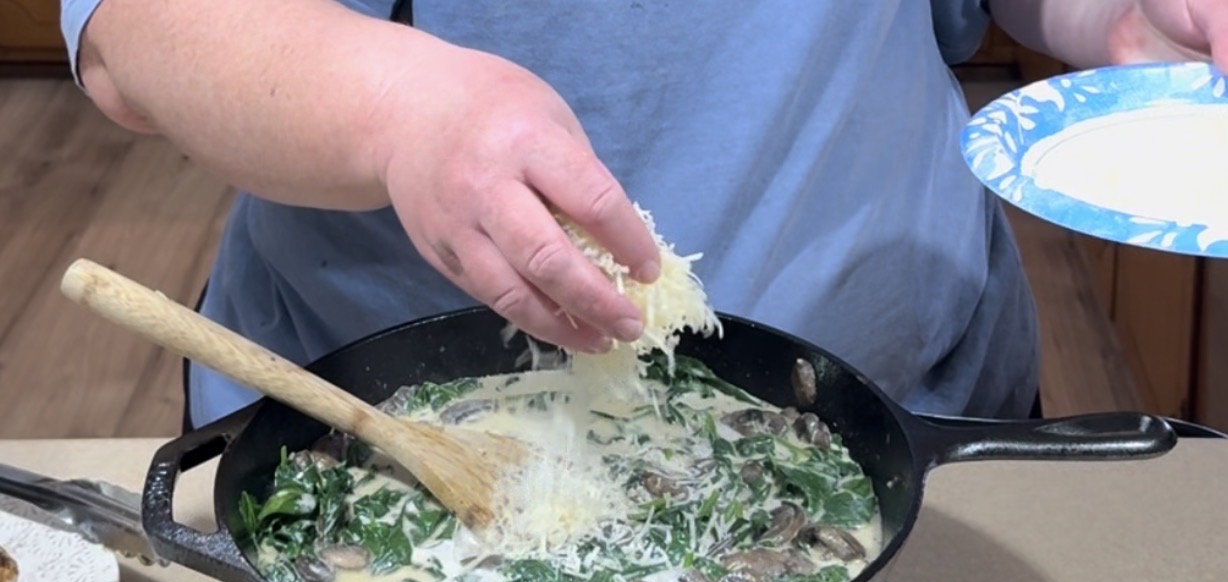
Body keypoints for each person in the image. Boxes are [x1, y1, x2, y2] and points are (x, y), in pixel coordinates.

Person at [60, 1, 1228, 430]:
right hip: (397, 439)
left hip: (912, 411)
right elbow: (141, 31)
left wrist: (1121, 14)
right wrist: (399, 112)